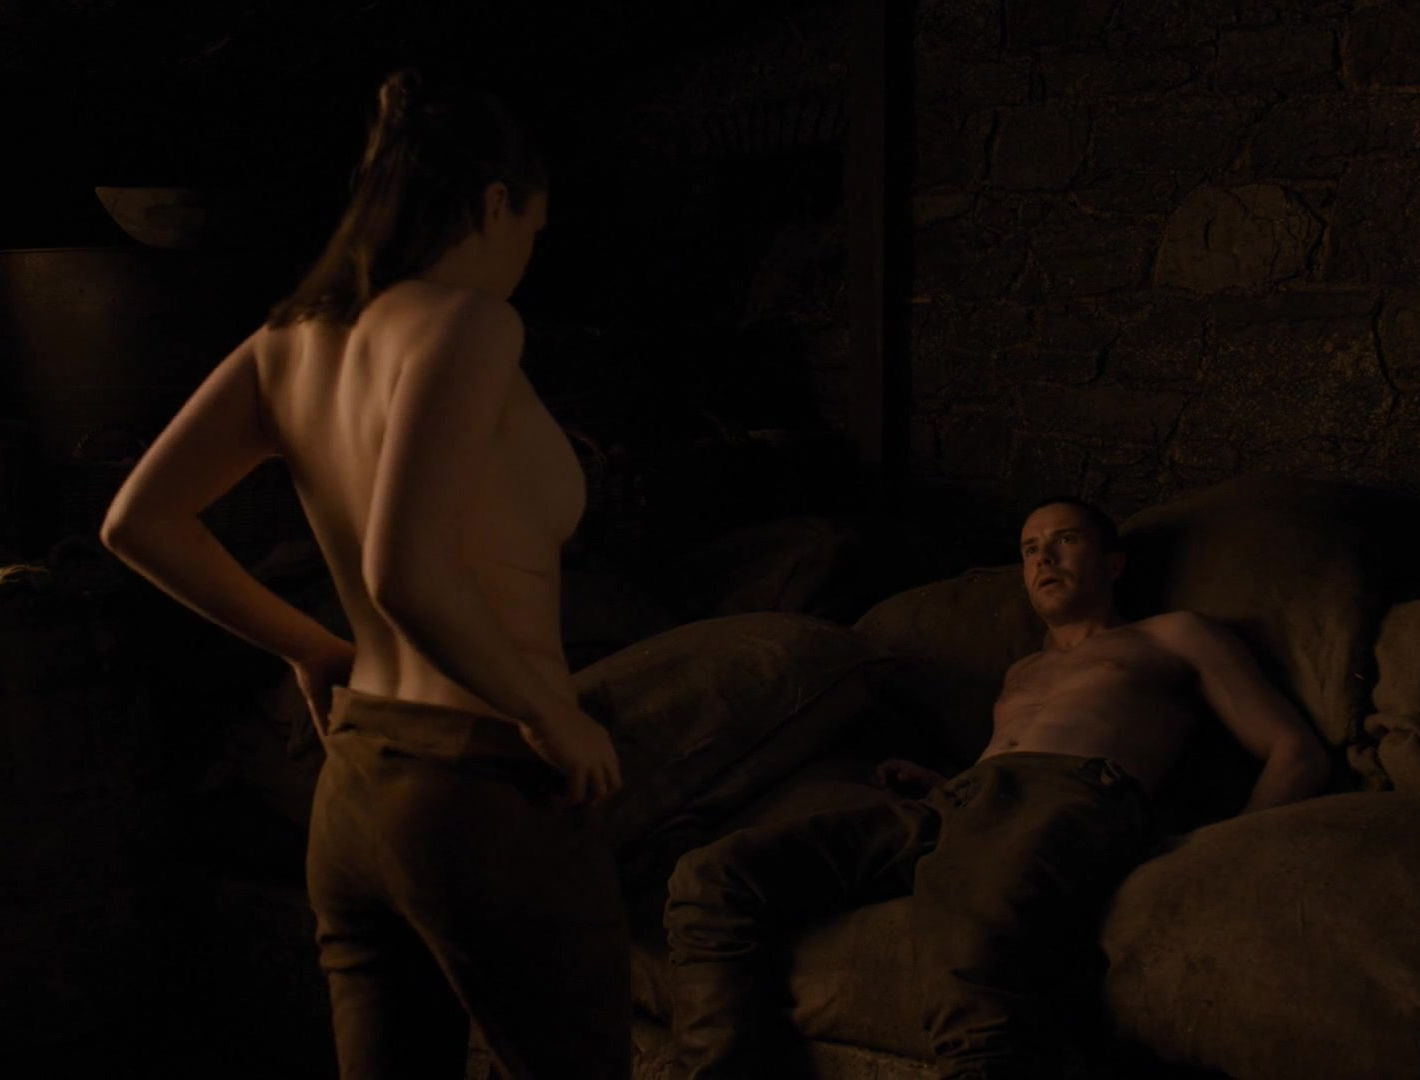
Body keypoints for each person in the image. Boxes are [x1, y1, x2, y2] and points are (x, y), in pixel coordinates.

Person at [100, 67, 629, 1079]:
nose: (527, 255)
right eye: (532, 229)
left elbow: (140, 521)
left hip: (356, 792)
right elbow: (405, 571)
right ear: (496, 204)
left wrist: (312, 650)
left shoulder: (286, 342)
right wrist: (550, 717)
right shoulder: (471, 323)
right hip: (482, 788)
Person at [663, 496, 1331, 1080]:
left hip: (1070, 798)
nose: (1044, 558)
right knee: (714, 877)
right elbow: (1006, 771)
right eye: (1030, 548)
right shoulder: (1022, 671)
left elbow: (1293, 751)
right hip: (961, 805)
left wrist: (1217, 851)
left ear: (1113, 563)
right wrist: (945, 783)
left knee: (972, 954)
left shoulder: (1172, 633)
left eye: (1065, 539)